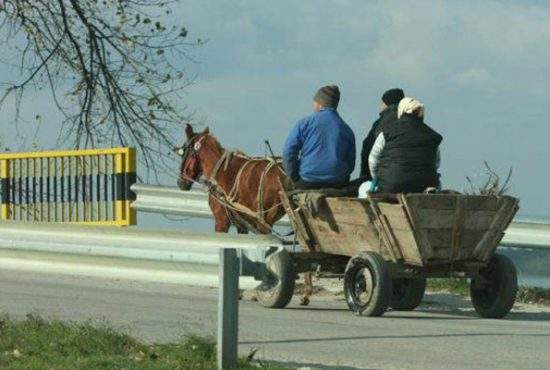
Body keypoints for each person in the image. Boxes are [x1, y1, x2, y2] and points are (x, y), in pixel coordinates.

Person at [283, 85, 356, 190]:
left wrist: (294, 176)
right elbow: (351, 163)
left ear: (319, 103)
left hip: (308, 181)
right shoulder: (347, 129)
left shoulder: (304, 124)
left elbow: (288, 152)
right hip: (338, 184)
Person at [367, 97, 442, 193]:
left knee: (363, 187)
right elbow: (436, 163)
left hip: (390, 187)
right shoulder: (433, 136)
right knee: (438, 185)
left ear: (401, 111)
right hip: (424, 188)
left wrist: (377, 178)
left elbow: (373, 159)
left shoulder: (386, 133)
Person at [360, 88, 404, 179]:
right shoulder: (411, 121)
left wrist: (365, 175)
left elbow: (368, 148)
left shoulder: (381, 123)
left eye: (382, 102)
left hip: (384, 175)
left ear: (386, 104)